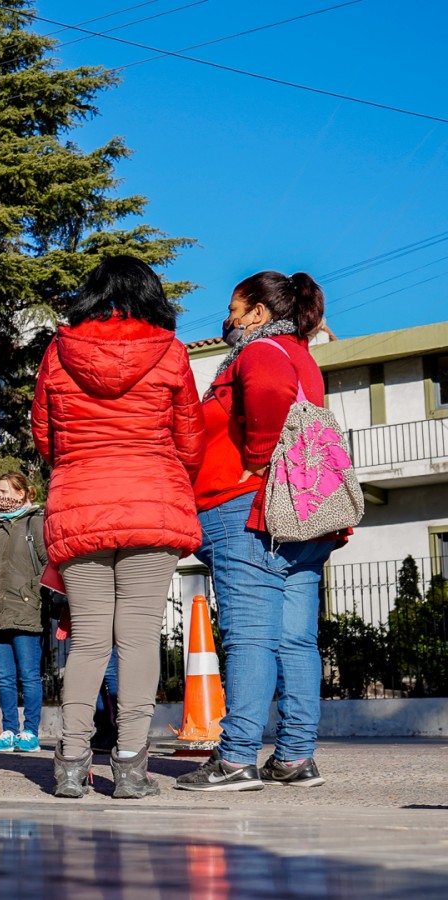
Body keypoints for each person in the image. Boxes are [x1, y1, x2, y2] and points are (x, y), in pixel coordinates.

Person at [32, 255, 204, 799]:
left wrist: (82, 463)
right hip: (152, 500)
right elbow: (191, 440)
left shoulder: (58, 353)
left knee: (87, 642)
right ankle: (130, 767)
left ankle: (70, 764)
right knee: (136, 640)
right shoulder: (171, 353)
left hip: (80, 502)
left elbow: (45, 437)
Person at [176, 271, 339, 792]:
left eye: (234, 307)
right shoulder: (300, 354)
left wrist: (258, 461)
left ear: (258, 313)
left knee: (250, 635)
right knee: (295, 639)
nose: (227, 318)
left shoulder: (259, 352)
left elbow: (267, 396)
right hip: (301, 513)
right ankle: (294, 755)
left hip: (248, 508)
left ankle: (236, 758)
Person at [0, 472, 48, 754]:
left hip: (25, 612)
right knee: (4, 677)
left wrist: (33, 593)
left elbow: (47, 563)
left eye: (4, 491)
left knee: (28, 675)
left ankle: (30, 732)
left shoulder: (34, 522)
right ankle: (8, 732)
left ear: (22, 493)